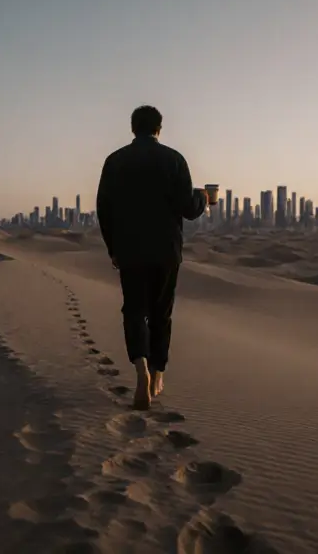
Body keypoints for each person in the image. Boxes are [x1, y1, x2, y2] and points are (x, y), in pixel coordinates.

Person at [96, 105, 207, 411]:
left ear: (134, 129)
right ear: (159, 128)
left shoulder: (115, 161)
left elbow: (103, 210)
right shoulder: (174, 160)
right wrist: (203, 198)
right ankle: (158, 374)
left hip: (130, 251)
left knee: (134, 311)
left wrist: (113, 248)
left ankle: (141, 368)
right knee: (161, 313)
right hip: (166, 251)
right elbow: (188, 207)